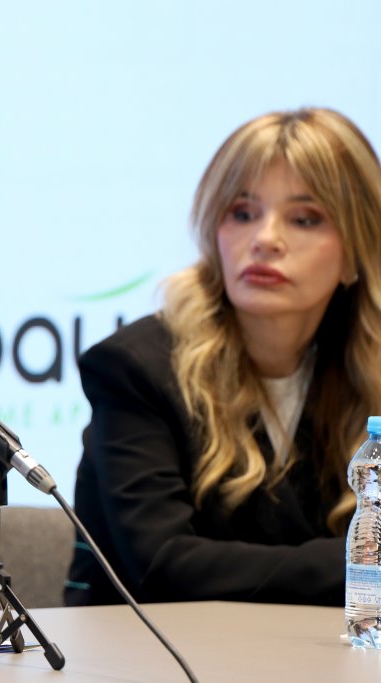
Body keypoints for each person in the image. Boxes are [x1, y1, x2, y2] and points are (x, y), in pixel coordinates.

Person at [65, 108, 381, 606]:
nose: (266, 239)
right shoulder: (137, 368)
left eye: (304, 219)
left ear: (357, 250)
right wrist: (364, 562)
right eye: (242, 213)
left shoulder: (370, 370)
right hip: (148, 648)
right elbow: (164, 566)